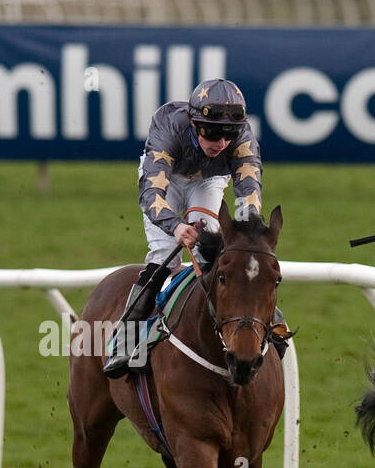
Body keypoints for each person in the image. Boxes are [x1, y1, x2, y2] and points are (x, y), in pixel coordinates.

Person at [103, 78, 265, 378]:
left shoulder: (242, 139)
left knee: (219, 253)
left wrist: (247, 236)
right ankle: (124, 343)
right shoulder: (168, 127)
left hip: (209, 180)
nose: (220, 143)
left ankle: (264, 324)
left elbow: (249, 191)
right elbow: (152, 195)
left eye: (229, 134)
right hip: (167, 180)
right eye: (211, 132)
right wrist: (175, 226)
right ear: (193, 123)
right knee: (165, 252)